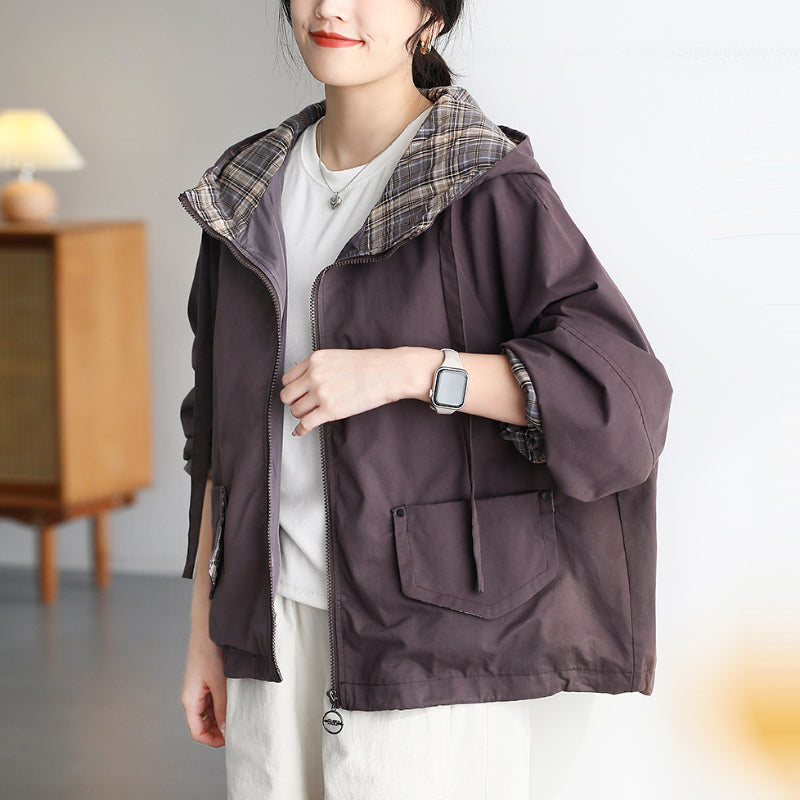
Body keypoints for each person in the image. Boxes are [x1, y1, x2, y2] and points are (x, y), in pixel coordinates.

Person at [178, 0, 673, 798]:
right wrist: (207, 634)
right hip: (269, 628)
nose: (332, 8)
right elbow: (214, 435)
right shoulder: (244, 191)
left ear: (432, 16)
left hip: (429, 639)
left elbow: (619, 400)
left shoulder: (486, 184)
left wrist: (413, 371)